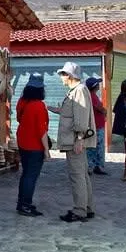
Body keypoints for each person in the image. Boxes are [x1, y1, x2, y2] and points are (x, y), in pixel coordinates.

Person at [49, 62, 96, 223]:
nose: (61, 77)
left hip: (75, 141)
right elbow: (71, 112)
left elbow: (81, 118)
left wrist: (80, 139)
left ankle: (80, 210)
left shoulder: (80, 91)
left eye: (62, 74)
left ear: (69, 76)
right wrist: (54, 109)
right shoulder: (75, 91)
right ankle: (87, 207)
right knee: (82, 175)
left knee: (77, 176)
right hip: (75, 140)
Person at [15, 73, 50, 217]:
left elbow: (18, 119)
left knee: (25, 174)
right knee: (31, 176)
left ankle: (22, 203)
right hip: (34, 145)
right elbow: (41, 131)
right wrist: (47, 150)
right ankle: (25, 205)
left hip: (22, 142)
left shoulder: (22, 102)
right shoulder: (39, 106)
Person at [85, 76, 108, 175]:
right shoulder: (92, 97)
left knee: (92, 147)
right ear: (94, 86)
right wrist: (105, 111)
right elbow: (100, 109)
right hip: (97, 126)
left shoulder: (89, 96)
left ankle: (92, 166)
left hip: (93, 125)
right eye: (97, 84)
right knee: (97, 147)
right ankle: (95, 166)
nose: (99, 85)